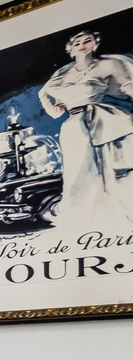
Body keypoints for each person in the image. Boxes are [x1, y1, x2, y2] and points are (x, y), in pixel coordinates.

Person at [39, 29, 133, 229]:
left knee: (111, 176)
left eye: (87, 40)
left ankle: (115, 222)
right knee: (78, 177)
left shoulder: (108, 65)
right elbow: (57, 113)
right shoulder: (61, 76)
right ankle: (84, 224)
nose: (82, 44)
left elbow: (128, 87)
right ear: (70, 50)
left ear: (95, 44)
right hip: (73, 128)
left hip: (102, 123)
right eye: (77, 42)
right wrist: (42, 97)